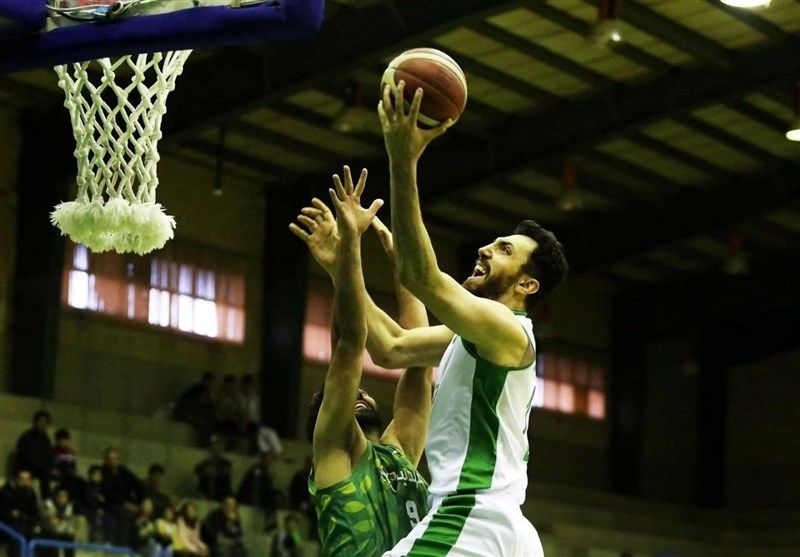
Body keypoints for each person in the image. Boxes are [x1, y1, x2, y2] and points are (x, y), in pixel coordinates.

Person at [371, 84, 568, 556]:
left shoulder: (507, 330)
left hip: (474, 515)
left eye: (504, 250)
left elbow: (422, 276)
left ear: (527, 285)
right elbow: (391, 348)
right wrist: (344, 266)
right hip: (497, 525)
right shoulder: (476, 336)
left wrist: (403, 158)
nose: (485, 249)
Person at [289, 167, 432, 556]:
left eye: (363, 392)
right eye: (349, 394)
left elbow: (420, 364)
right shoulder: (336, 448)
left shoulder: (399, 452)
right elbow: (350, 345)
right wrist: (350, 244)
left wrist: (405, 272)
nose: (361, 393)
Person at [101, 447, 145, 546]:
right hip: (111, 504)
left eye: (114, 459)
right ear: (105, 460)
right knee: (126, 514)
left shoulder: (123, 471)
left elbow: (138, 484)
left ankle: (138, 544)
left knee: (143, 511)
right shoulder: (103, 472)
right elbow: (110, 493)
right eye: (109, 459)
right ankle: (122, 545)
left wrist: (146, 499)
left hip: (127, 503)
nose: (112, 462)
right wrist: (126, 504)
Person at [236, 452, 280, 531]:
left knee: (274, 496)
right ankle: (269, 520)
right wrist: (255, 502)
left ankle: (271, 519)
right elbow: (254, 487)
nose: (269, 463)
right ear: (263, 460)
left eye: (271, 461)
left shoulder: (268, 472)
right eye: (268, 461)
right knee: (271, 497)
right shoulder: (257, 470)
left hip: (260, 496)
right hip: (249, 496)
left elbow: (268, 488)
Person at [15, 410, 54, 498]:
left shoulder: (46, 439)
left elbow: (50, 456)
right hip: (26, 467)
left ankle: (47, 500)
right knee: (43, 474)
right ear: (35, 422)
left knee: (48, 474)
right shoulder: (27, 436)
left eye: (46, 422)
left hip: (39, 468)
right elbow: (26, 456)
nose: (43, 425)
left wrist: (50, 467)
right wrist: (42, 466)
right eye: (41, 422)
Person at [0, 469, 40, 556]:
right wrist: (12, 514)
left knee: (39, 535)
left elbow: (35, 514)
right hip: (8, 526)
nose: (24, 482)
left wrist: (22, 516)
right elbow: (3, 512)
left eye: (27, 479)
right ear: (16, 479)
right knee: (17, 537)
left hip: (26, 525)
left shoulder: (31, 494)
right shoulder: (5, 492)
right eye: (22, 479)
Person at [173, 372, 218, 446]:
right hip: (184, 414)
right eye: (211, 382)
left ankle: (205, 443)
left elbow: (210, 406)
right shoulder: (197, 390)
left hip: (191, 413)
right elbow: (193, 405)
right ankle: (201, 444)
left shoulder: (205, 391)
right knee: (201, 423)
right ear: (206, 381)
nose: (212, 385)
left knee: (209, 421)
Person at [40, 487, 78, 557]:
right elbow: (49, 521)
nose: (63, 499)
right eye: (61, 496)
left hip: (62, 531)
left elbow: (69, 521)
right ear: (56, 497)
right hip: (49, 532)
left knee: (70, 537)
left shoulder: (69, 506)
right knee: (52, 538)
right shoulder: (48, 504)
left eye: (65, 497)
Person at [194, 436, 233, 501]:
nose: (215, 450)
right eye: (213, 447)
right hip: (205, 496)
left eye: (218, 447)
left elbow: (226, 481)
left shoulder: (226, 464)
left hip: (221, 496)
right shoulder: (205, 464)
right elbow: (197, 470)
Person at [288, 456, 317, 540]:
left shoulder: (314, 478)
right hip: (299, 504)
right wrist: (302, 503)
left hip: (310, 504)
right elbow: (294, 493)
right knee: (314, 513)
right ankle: (312, 537)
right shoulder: (299, 476)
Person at [80, 464, 107, 542]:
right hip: (89, 510)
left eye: (99, 474)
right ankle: (95, 539)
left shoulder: (104, 487)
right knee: (97, 519)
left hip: (102, 511)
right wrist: (97, 505)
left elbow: (106, 501)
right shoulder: (86, 486)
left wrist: (102, 506)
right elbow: (87, 500)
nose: (97, 476)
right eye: (95, 474)